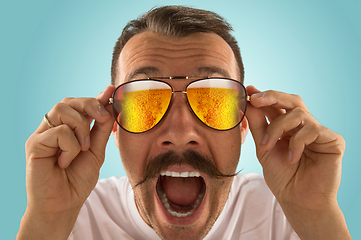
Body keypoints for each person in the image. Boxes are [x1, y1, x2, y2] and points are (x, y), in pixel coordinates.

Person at [16, 5, 351, 240]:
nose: (179, 133)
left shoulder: (288, 213)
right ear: (113, 124)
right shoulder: (71, 216)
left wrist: (317, 215)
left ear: (245, 123)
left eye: (213, 100)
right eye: (144, 102)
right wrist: (47, 219)